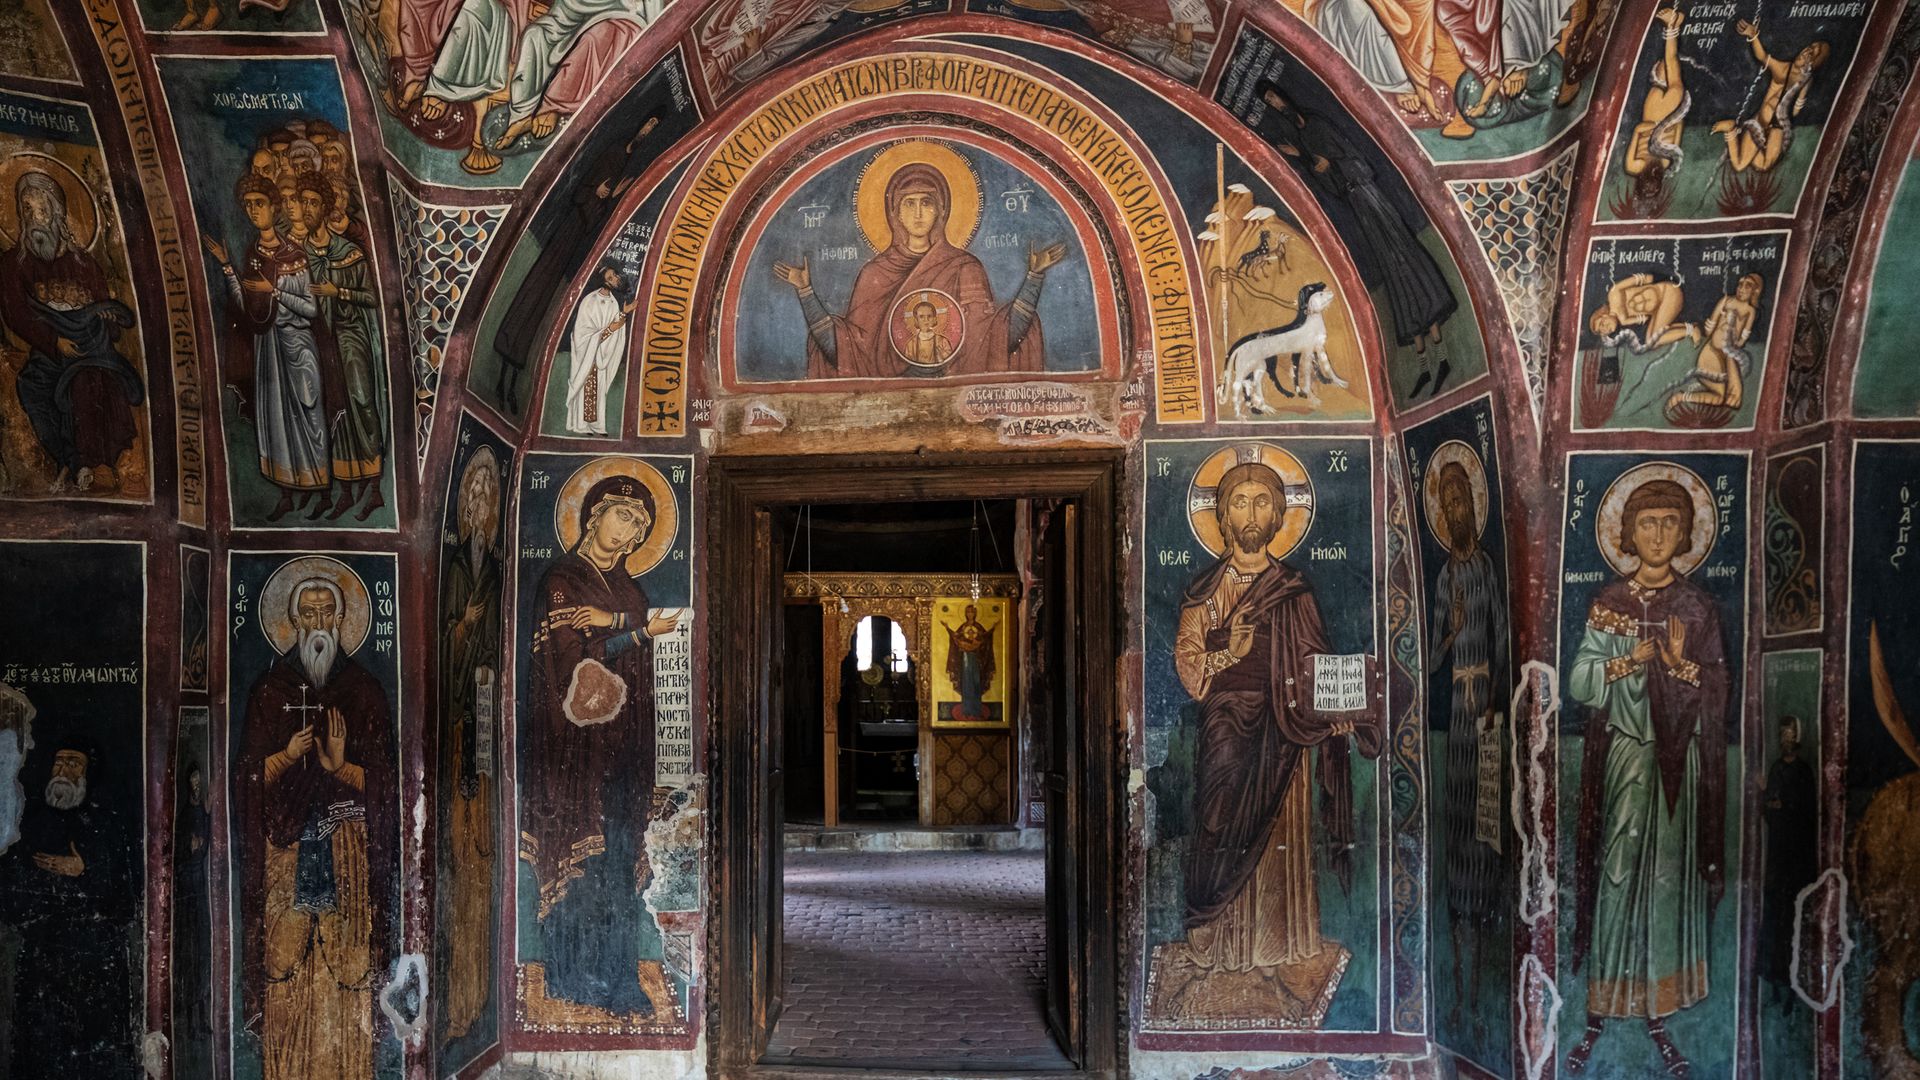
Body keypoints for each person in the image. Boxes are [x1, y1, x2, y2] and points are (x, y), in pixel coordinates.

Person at [1156, 461, 1383, 1021]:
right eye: (1240, 503)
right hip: (1226, 728)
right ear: (1221, 515)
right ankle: (1219, 945)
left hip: (1285, 735)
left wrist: (1338, 714)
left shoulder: (1295, 590)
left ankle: (1277, 950)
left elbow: (1317, 669)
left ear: (1280, 516)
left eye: (1263, 503)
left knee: (1280, 838)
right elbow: (1189, 670)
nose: (1251, 515)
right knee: (1216, 821)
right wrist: (1229, 652)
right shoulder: (1204, 593)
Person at [1566, 478, 1730, 1077]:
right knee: (1616, 877)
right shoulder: (1608, 603)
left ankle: (1660, 1013)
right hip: (1628, 759)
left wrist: (1681, 667)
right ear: (1627, 533)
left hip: (1678, 766)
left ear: (1685, 534)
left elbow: (1717, 689)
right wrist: (1625, 661)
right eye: (1647, 523)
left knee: (1667, 886)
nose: (1658, 534)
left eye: (1669, 522)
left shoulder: (1697, 609)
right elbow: (1580, 682)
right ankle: (1602, 1011)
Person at [523, 474, 680, 1014]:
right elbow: (569, 664)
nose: (630, 533)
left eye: (639, 527)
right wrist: (634, 631)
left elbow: (636, 647)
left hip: (624, 747)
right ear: (594, 516)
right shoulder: (563, 580)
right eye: (622, 517)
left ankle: (618, 977)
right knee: (582, 862)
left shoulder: (630, 592)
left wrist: (618, 622)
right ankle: (574, 976)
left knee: (616, 863)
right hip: (574, 750)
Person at [233, 577, 399, 1080]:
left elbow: (388, 786)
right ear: (294, 620)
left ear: (342, 619)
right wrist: (287, 756)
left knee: (346, 959)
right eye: (309, 614)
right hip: (283, 849)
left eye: (328, 613)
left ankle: (350, 1067)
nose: (319, 623)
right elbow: (246, 778)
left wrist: (339, 768)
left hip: (346, 847)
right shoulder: (270, 690)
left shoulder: (363, 691)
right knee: (286, 960)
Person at [1255, 85, 1457, 398]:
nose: (1275, 104)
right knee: (1391, 268)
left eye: (1274, 97)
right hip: (1356, 202)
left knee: (1403, 253)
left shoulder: (1317, 125)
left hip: (1368, 194)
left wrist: (1320, 161)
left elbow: (1356, 160)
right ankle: (1424, 365)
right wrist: (1309, 161)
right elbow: (1330, 183)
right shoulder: (1300, 139)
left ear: (1284, 94)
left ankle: (1442, 358)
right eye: (1268, 102)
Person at [774, 162, 1064, 378]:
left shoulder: (965, 268)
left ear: (942, 210)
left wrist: (1033, 279)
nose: (917, 213)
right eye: (908, 204)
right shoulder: (874, 274)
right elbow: (850, 352)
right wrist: (806, 292)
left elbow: (993, 340)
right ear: (895, 213)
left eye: (927, 203)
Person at [1426, 459, 1509, 1026]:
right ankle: (1457, 984)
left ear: (1475, 508)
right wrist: (1451, 631)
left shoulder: (1484, 569)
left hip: (1486, 717)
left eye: (1463, 501)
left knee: (1487, 828)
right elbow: (1430, 658)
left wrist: (1498, 706)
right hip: (1457, 712)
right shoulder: (1445, 579)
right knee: (1457, 825)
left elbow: (1504, 638)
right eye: (1448, 502)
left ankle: (1482, 966)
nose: (1457, 511)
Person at [204, 173, 338, 521]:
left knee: (309, 416)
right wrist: (227, 266)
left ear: (274, 207)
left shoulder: (295, 255)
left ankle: (321, 489)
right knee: (276, 424)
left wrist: (274, 290)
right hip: (267, 348)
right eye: (248, 206)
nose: (253, 211)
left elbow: (311, 309)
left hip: (297, 346)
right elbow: (249, 309)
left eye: (259, 204)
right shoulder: (253, 254)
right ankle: (287, 493)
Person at [0, 169, 143, 494]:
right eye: (27, 209)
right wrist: (54, 341)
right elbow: (16, 313)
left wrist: (104, 320)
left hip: (91, 351)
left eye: (42, 208)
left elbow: (107, 313)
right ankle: (75, 461)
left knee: (93, 379)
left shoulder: (84, 264)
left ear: (57, 212)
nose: (35, 217)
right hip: (49, 354)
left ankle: (98, 464)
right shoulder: (13, 263)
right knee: (33, 388)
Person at [0, 739, 136, 1078]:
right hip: (43, 964)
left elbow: (124, 902)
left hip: (95, 966)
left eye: (73, 763)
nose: (63, 770)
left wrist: (83, 872)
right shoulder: (27, 823)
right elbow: (12, 896)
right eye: (59, 762)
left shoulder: (106, 826)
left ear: (88, 773)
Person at [440, 448, 503, 1040]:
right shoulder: (458, 565)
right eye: (475, 489)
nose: (482, 498)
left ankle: (478, 998)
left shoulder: (498, 565)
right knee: (461, 860)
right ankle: (458, 1005)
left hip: (485, 719)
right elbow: (446, 637)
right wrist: (463, 627)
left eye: (491, 490)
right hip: (460, 722)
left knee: (482, 859)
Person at [298, 172, 386, 521]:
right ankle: (346, 490)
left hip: (351, 337)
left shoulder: (349, 253)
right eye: (302, 202)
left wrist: (340, 292)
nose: (306, 209)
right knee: (334, 412)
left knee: (362, 402)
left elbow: (371, 297)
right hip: (321, 340)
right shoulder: (302, 254)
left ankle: (376, 486)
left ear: (325, 207)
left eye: (312, 202)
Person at [1712, 21, 1829, 173]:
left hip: (1778, 127)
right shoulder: (1782, 70)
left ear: (1813, 63)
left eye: (1812, 53)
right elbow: (1763, 56)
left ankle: (1733, 132)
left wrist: (1798, 99)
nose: (1806, 52)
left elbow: (1796, 110)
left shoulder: (1806, 80)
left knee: (1762, 165)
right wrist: (1754, 36)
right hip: (1761, 121)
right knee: (1740, 165)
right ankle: (1730, 129)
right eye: (1809, 47)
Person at [1758, 715, 1817, 1006]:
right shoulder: (1777, 768)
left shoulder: (1804, 771)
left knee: (1795, 920)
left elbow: (1808, 810)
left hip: (1797, 858)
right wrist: (1765, 798)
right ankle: (1774, 980)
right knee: (1775, 919)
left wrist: (1786, 805)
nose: (1785, 739)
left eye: (1790, 733)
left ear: (1798, 737)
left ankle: (1795, 984)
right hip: (1778, 858)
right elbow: (1767, 809)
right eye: (1782, 734)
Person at [171, 759, 215, 1075]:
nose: (197, 788)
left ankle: (200, 1021)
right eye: (194, 783)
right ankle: (188, 1023)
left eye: (201, 782)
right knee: (188, 959)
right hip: (186, 894)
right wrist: (189, 848)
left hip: (199, 893)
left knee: (201, 957)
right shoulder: (186, 816)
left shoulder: (203, 815)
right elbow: (181, 852)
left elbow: (205, 845)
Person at [1668, 273, 1760, 416]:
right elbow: (1711, 323)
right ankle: (1683, 396)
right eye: (1740, 285)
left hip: (1728, 354)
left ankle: (1683, 397)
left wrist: (1738, 343)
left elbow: (1745, 333)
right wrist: (1708, 328)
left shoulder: (1750, 310)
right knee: (1728, 395)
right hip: (1711, 353)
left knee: (1720, 399)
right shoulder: (1726, 301)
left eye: (1747, 287)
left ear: (1755, 291)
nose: (1741, 289)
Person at [1623, 6, 1690, 194]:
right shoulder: (1666, 162)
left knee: (1663, 67)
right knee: (1671, 64)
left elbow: (1636, 133)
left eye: (1647, 190)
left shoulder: (1634, 166)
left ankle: (1674, 26)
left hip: (1651, 115)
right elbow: (1678, 135)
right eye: (1654, 189)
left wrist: (1650, 129)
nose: (1651, 187)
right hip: (1670, 112)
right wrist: (1676, 117)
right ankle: (1671, 27)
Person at [564, 265, 635, 434]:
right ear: (603, 282)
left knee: (600, 390)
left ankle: (596, 425)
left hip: (601, 355)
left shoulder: (613, 303)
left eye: (615, 276)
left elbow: (615, 328)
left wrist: (624, 314)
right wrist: (610, 328)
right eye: (610, 278)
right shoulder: (590, 300)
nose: (615, 279)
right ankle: (581, 425)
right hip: (587, 355)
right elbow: (582, 333)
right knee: (584, 388)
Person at [1589, 271, 1698, 354]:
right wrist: (1629, 320)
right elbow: (1645, 318)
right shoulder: (1623, 321)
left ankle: (1691, 330)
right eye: (1602, 331)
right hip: (1661, 307)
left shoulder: (1613, 294)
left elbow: (1644, 279)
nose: (1605, 329)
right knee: (1651, 342)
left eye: (1602, 323)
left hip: (1669, 294)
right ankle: (1688, 327)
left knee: (1655, 339)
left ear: (1603, 314)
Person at [942, 603, 998, 722]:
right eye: (968, 612)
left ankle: (976, 711)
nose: (970, 614)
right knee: (967, 683)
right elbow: (956, 638)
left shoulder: (979, 627)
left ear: (976, 613)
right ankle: (967, 710)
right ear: (965, 614)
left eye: (972, 612)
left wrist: (992, 629)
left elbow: (984, 638)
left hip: (977, 660)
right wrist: (947, 628)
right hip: (965, 659)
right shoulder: (963, 628)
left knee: (976, 683)